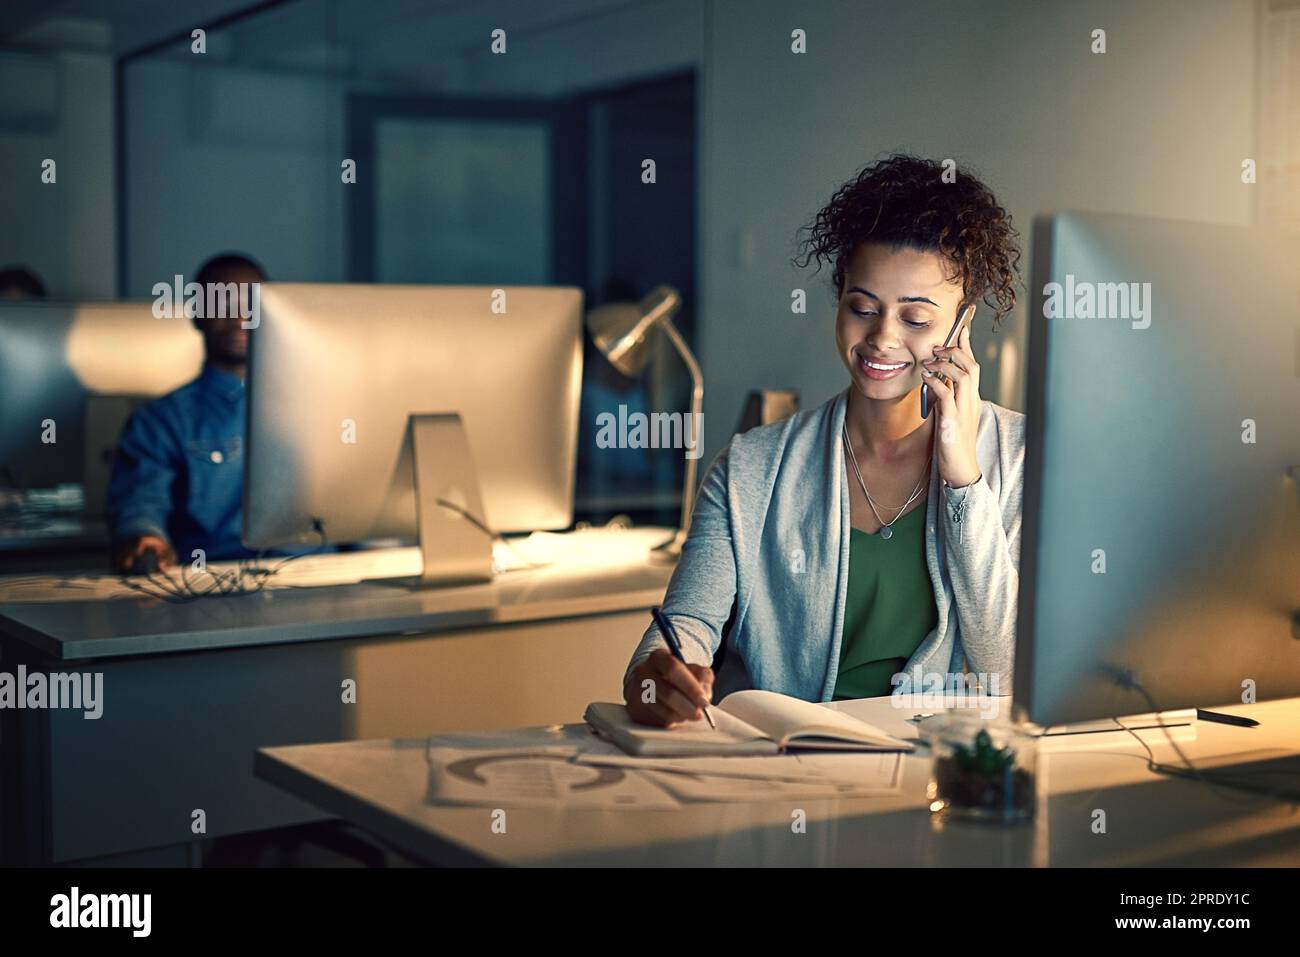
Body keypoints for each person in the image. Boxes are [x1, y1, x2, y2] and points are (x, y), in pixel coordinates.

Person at [622, 154, 1026, 726]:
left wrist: (963, 476)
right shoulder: (750, 468)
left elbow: (1010, 673)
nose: (882, 338)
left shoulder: (1021, 458)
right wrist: (655, 676)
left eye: (916, 319)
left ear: (962, 323)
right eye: (863, 308)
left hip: (945, 780)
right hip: (791, 774)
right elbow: (683, 627)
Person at [107, 253, 265, 573]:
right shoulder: (160, 421)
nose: (239, 316)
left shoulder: (321, 408)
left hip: (327, 573)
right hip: (214, 580)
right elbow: (141, 500)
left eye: (251, 302)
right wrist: (145, 534)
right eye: (222, 302)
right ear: (197, 315)